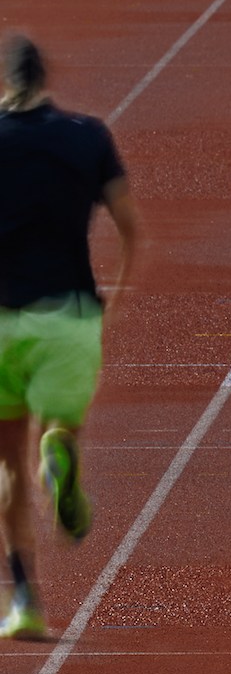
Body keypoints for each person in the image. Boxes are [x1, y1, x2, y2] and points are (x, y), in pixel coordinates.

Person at [0, 36, 142, 640]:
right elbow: (131, 231)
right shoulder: (89, 136)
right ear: (47, 79)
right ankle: (59, 451)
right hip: (70, 318)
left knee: (6, 465)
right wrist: (111, 304)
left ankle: (26, 601)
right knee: (56, 427)